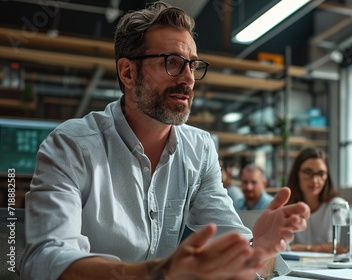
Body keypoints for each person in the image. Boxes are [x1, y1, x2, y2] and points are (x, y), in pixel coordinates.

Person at [19, 2, 310, 280]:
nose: (188, 79)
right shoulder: (71, 146)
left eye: (193, 66)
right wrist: (157, 274)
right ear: (128, 72)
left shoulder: (200, 149)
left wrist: (260, 250)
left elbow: (239, 255)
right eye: (172, 62)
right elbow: (45, 260)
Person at [285, 147, 347, 253]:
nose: (314, 180)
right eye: (308, 172)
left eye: (321, 174)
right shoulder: (288, 208)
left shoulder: (337, 206)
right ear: (297, 174)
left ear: (327, 177)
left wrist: (305, 248)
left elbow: (342, 247)